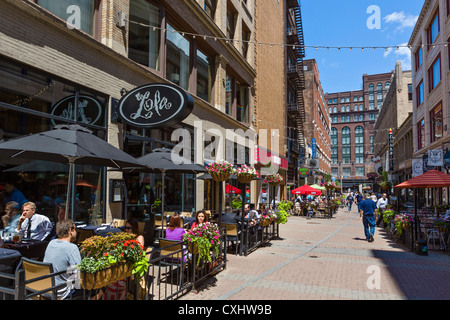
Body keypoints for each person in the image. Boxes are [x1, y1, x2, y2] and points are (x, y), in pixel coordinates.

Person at [43, 219, 81, 300]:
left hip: (46, 290)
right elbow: (77, 274)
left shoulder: (51, 243)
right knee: (97, 288)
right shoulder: (72, 248)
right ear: (70, 230)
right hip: (61, 293)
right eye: (75, 229)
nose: (76, 232)